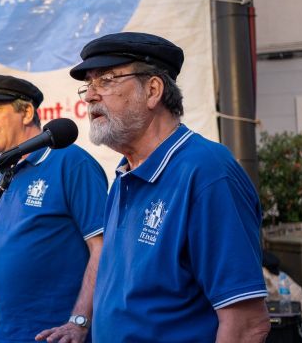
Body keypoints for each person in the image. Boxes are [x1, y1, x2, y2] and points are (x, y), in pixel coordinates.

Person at [69, 31, 270, 342]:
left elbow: (247, 325)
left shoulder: (206, 172)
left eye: (106, 79)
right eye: (89, 84)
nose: (90, 95)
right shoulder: (124, 176)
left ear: (153, 90)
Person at [0, 75, 107, 343]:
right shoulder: (3, 175)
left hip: (54, 335)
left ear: (27, 112)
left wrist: (79, 321)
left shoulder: (71, 162)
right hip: (6, 334)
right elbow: (2, 263)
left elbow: (101, 248)